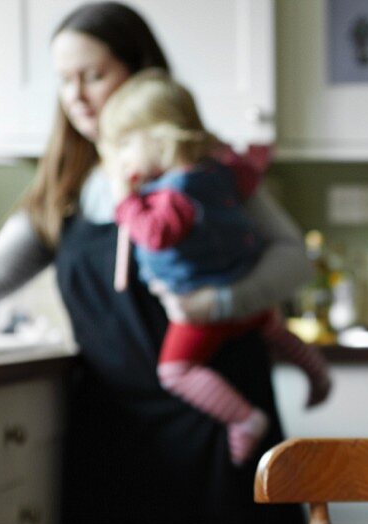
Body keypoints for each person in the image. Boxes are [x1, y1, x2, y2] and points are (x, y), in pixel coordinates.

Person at [0, 2, 309, 524]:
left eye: (94, 75)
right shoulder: (66, 184)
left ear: (141, 73)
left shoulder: (207, 168)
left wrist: (223, 300)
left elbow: (291, 255)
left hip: (217, 419)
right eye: (65, 81)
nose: (77, 96)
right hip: (115, 437)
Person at [98, 69, 330, 465]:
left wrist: (124, 197)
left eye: (124, 144)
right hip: (247, 292)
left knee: (174, 372)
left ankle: (243, 420)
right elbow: (248, 176)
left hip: (202, 312)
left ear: (160, 140)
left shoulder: (173, 196)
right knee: (271, 329)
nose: (120, 158)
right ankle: (316, 373)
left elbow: (154, 235)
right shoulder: (219, 172)